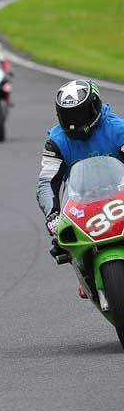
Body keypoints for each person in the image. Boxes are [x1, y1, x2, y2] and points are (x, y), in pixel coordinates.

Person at [37, 80, 124, 298]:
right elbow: (47, 183)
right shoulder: (56, 141)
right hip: (84, 201)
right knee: (61, 240)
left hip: (121, 195)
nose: (73, 123)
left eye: (79, 114)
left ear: (95, 107)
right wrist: (52, 214)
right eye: (68, 116)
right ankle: (85, 274)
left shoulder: (118, 130)